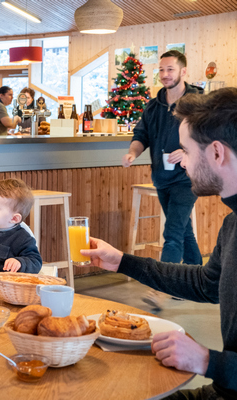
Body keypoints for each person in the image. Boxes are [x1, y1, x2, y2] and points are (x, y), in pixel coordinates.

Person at [83, 87, 237, 399]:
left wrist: (207, 360)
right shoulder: (232, 222)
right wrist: (123, 262)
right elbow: (208, 284)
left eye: (187, 152)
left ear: (217, 153)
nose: (183, 163)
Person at [122, 50, 203, 310]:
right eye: (162, 70)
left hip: (189, 176)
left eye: (170, 69)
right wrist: (133, 153)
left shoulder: (199, 101)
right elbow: (141, 134)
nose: (165, 74)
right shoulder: (154, 104)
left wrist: (190, 150)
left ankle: (160, 288)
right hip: (162, 177)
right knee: (183, 230)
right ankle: (195, 281)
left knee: (173, 233)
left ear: (183, 71)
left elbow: (211, 133)